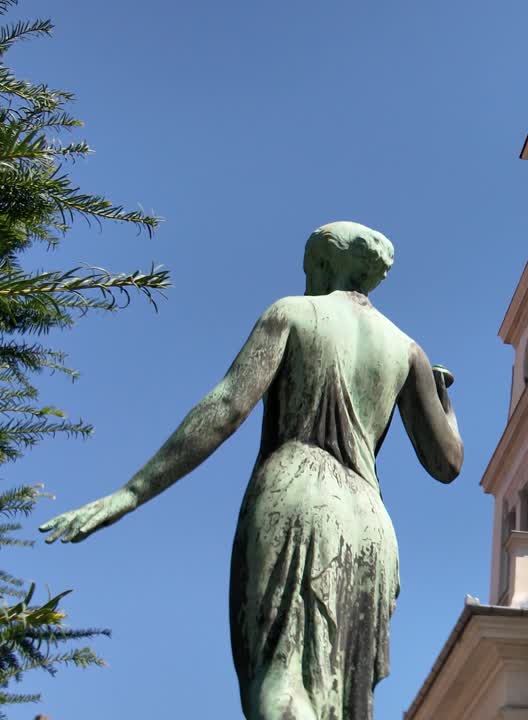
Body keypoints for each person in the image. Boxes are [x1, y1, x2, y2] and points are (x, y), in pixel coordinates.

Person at [40, 221, 463, 720]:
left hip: (296, 490)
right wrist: (444, 401)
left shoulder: (293, 313)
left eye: (309, 265)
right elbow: (447, 463)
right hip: (370, 522)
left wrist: (131, 492)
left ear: (327, 262)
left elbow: (225, 408)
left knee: (279, 679)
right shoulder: (408, 350)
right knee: (345, 704)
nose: (306, 275)